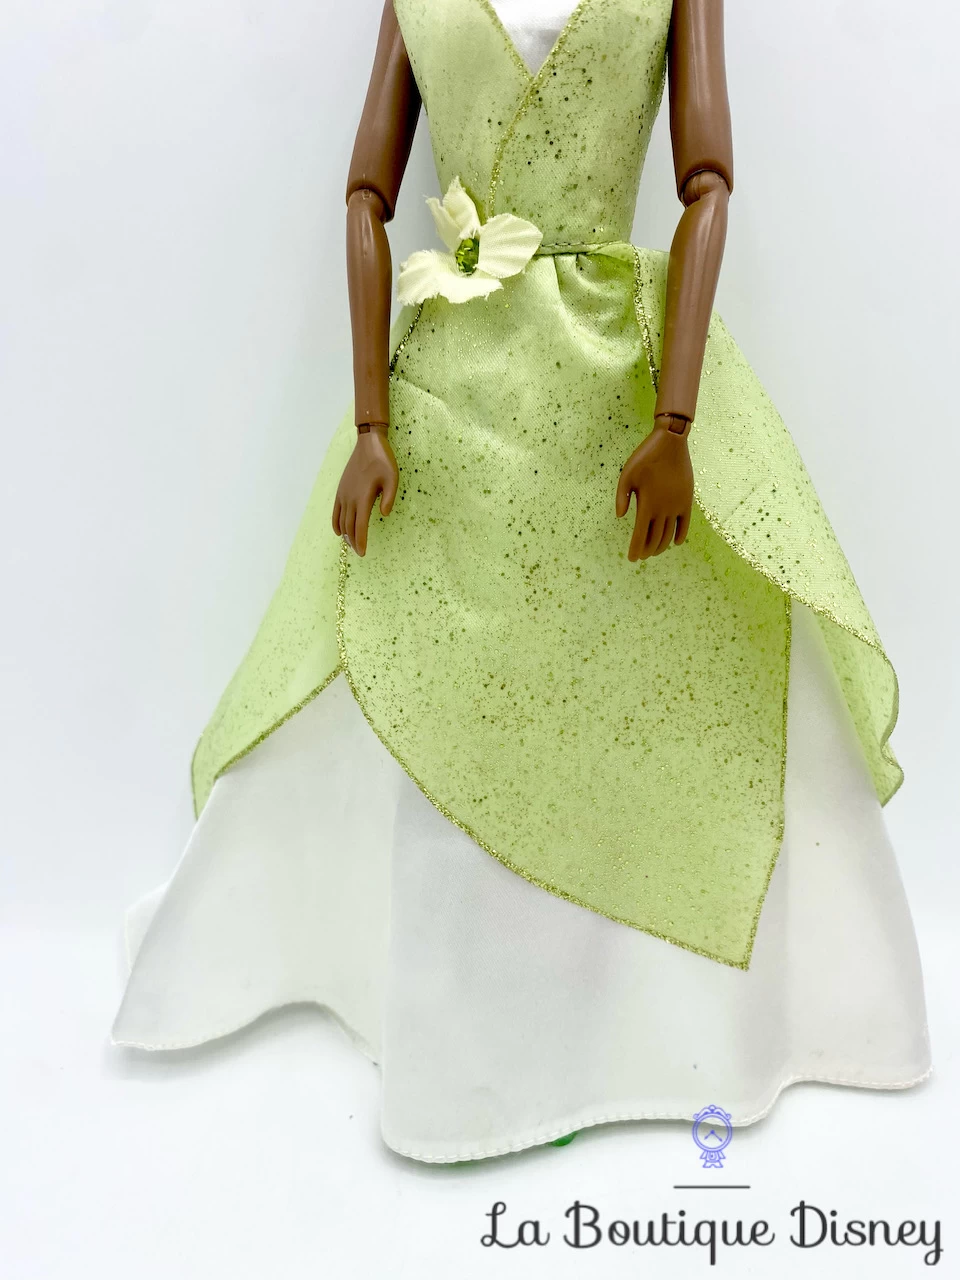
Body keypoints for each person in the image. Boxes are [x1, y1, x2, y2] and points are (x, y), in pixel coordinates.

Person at [112, 0, 931, 1164]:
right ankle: (465, 1032)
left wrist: (677, 420)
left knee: (650, 695)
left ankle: (658, 1023)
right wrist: (370, 421)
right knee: (448, 686)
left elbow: (708, 185)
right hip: (456, 386)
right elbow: (364, 196)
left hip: (616, 385)